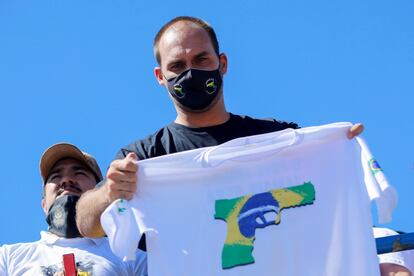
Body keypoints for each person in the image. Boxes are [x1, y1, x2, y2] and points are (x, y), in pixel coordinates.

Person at [76, 16, 364, 241]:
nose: (190, 73)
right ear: (160, 77)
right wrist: (110, 192)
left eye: (201, 59)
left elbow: (328, 200)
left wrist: (337, 150)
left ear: (222, 63)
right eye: (177, 65)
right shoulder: (143, 158)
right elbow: (88, 225)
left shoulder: (277, 139)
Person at [0, 143, 147, 275]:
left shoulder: (131, 257)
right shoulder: (8, 257)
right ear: (44, 205)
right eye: (56, 176)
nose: (66, 180)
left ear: (99, 190)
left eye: (79, 173)